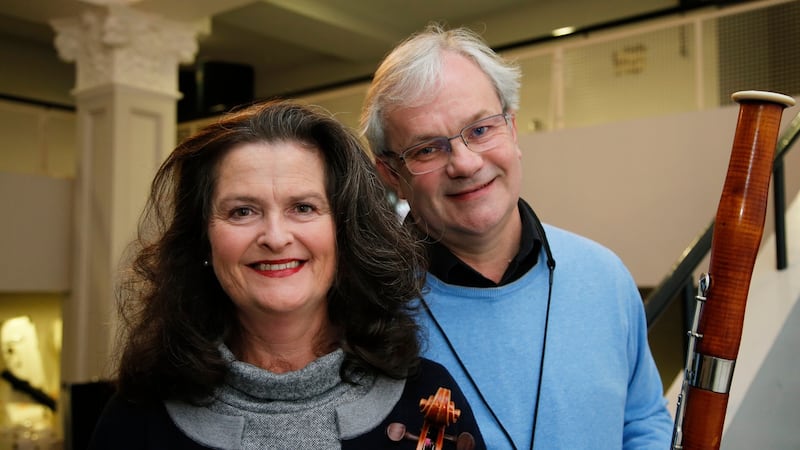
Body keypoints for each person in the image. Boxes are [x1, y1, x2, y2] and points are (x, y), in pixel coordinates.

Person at [87, 100, 485, 450]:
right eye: (243, 210)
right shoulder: (138, 416)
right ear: (202, 239)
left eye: (303, 207)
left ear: (345, 232)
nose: (276, 238)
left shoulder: (430, 402)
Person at [360, 24, 674, 449]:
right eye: (428, 148)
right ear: (391, 174)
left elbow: (642, 422)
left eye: (480, 129)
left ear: (512, 127)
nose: (466, 164)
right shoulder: (365, 307)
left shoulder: (605, 277)